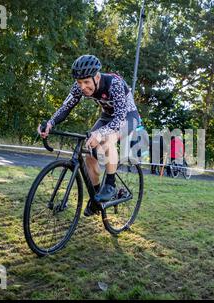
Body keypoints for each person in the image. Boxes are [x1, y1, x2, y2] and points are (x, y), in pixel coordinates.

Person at [38, 55, 141, 216]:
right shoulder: (78, 87)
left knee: (108, 139)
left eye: (86, 82)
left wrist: (100, 133)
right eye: (79, 83)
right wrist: (50, 123)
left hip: (128, 117)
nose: (83, 87)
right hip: (107, 116)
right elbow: (66, 107)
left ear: (97, 77)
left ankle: (111, 185)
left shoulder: (114, 83)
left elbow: (120, 118)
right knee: (89, 153)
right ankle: (97, 196)